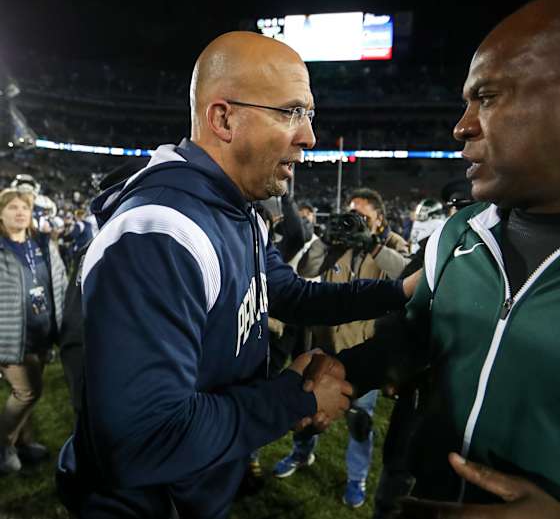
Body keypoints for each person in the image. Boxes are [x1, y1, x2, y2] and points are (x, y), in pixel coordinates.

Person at [305, 0, 560, 517]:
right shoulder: (460, 231)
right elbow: (419, 338)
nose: (461, 126)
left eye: (487, 97)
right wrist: (338, 371)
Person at [55, 32, 418, 519]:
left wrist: (395, 292)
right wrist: (295, 396)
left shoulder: (237, 209)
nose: (309, 135)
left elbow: (286, 292)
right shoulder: (160, 234)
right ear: (223, 118)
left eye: (308, 114)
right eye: (291, 112)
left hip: (197, 487)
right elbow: (144, 440)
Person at [273, 188, 409, 509]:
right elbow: (306, 271)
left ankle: (356, 478)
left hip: (363, 354)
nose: (354, 222)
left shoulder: (392, 244)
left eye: (362, 217)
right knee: (309, 409)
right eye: (351, 215)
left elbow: (406, 274)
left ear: (379, 221)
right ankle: (301, 454)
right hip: (324, 348)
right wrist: (325, 239)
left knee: (359, 421)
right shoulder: (338, 246)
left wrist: (372, 245)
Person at [0, 188, 67, 474]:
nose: (19, 212)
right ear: (1, 213)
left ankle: (23, 443)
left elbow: (60, 282)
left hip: (42, 332)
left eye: (24, 208)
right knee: (28, 392)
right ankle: (2, 446)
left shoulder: (42, 243)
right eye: (12, 207)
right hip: (10, 335)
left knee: (26, 392)